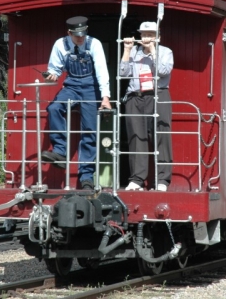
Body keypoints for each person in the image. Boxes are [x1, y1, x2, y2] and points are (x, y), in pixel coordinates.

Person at [41, 16, 111, 190]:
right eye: (77, 35)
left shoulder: (94, 44)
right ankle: (60, 152)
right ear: (69, 33)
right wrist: (52, 75)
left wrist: (105, 97)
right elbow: (55, 70)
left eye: (83, 34)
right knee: (54, 108)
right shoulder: (60, 45)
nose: (81, 38)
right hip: (71, 85)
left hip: (91, 87)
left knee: (90, 130)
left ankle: (86, 177)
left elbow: (102, 70)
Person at [120, 21, 174, 191]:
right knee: (136, 137)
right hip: (136, 97)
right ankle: (136, 179)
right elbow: (123, 74)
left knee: (161, 136)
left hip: (158, 95)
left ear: (158, 36)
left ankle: (162, 181)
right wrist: (127, 51)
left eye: (151, 35)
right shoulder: (134, 52)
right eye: (144, 35)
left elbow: (164, 71)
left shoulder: (165, 52)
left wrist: (152, 53)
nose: (147, 38)